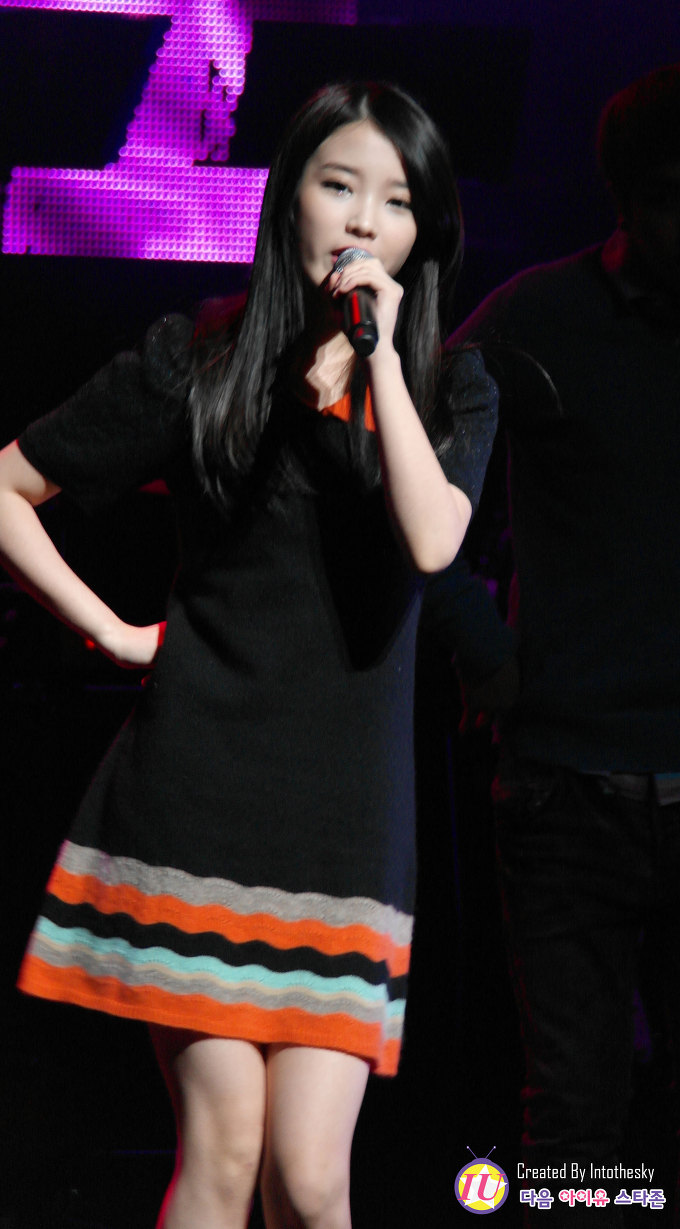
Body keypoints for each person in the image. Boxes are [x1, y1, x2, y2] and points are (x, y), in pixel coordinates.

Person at [0, 81, 497, 1229]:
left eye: (396, 200)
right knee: (223, 1153)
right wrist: (109, 628)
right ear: (289, 200)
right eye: (338, 185)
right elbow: (10, 486)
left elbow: (431, 540)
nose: (363, 220)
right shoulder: (200, 361)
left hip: (346, 822)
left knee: (312, 1179)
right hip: (196, 801)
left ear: (423, 232)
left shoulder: (449, 387)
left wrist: (377, 362)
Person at [424, 63, 680, 1223]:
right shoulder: (536, 315)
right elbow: (403, 482)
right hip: (567, 786)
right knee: (576, 1116)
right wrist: (482, 648)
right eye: (670, 197)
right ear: (623, 200)